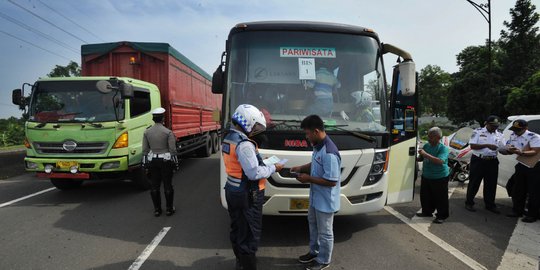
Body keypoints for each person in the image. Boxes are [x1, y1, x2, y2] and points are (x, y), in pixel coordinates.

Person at [222, 104, 283, 270]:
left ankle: (240, 263)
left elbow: (241, 164)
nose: (257, 130)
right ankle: (247, 265)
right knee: (249, 235)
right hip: (247, 194)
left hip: (232, 190)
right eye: (256, 125)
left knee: (237, 230)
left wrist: (260, 160)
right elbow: (254, 173)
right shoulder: (245, 144)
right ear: (248, 122)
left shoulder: (229, 137)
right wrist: (273, 168)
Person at [291, 115, 341, 270]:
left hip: (325, 201)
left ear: (317, 131)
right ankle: (314, 252)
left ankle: (324, 260)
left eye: (307, 133)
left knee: (325, 232)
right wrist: (301, 168)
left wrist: (308, 179)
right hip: (316, 198)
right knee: (313, 225)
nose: (306, 137)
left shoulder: (330, 152)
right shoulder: (319, 146)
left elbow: (332, 181)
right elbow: (316, 163)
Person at [500, 119, 540, 223]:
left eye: (519, 130)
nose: (516, 132)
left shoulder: (534, 137)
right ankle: (517, 211)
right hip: (521, 165)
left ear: (526, 128)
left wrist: (520, 152)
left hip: (534, 167)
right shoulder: (513, 135)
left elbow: (535, 151)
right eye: (515, 129)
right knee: (518, 189)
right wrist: (507, 150)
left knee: (533, 192)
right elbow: (509, 147)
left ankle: (532, 215)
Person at [142, 107, 179, 217]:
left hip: (153, 160)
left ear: (153, 119)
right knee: (168, 185)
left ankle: (157, 210)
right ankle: (169, 209)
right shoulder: (168, 132)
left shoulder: (147, 132)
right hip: (165, 160)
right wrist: (176, 163)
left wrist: (145, 164)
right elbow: (172, 150)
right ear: (162, 118)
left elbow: (145, 150)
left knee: (154, 185)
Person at [465, 115, 506, 213]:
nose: (494, 128)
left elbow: (502, 149)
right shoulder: (478, 132)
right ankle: (469, 203)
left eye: (496, 126)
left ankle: (490, 204)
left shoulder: (500, 135)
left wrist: (509, 150)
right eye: (492, 125)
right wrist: (487, 145)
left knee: (491, 184)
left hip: (492, 161)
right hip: (479, 160)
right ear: (486, 124)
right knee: (474, 182)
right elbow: (472, 146)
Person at [416, 127, 450, 224]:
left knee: (440, 198)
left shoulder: (443, 148)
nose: (428, 139)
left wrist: (425, 154)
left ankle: (442, 216)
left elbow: (439, 161)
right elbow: (421, 158)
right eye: (428, 136)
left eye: (431, 137)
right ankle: (427, 212)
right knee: (425, 196)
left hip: (440, 177)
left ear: (438, 137)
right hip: (427, 175)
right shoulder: (427, 146)